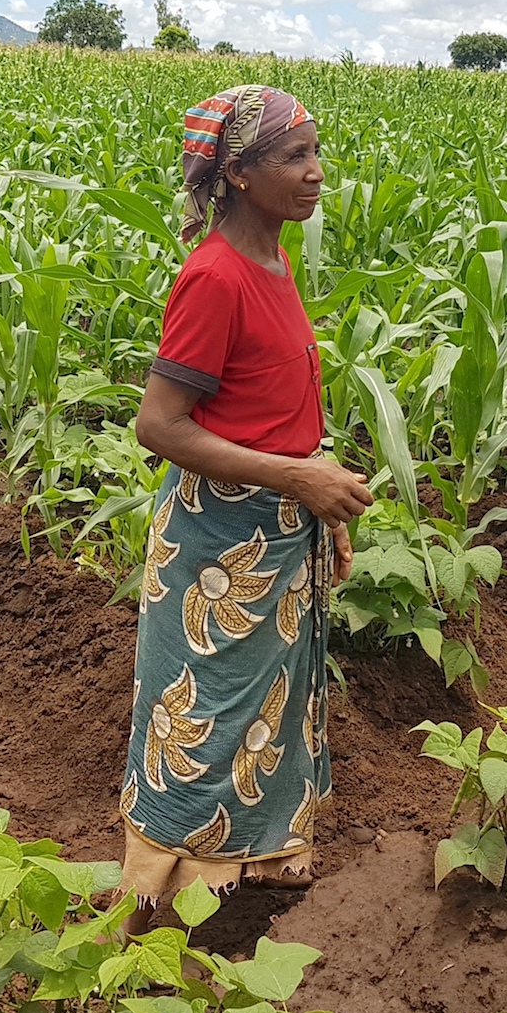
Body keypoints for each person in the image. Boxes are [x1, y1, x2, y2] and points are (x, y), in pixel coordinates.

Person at [118, 84, 374, 917]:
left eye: (315, 152)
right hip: (215, 547)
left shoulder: (272, 258)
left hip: (271, 532)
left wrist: (314, 492)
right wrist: (298, 479)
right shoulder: (216, 277)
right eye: (294, 157)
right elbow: (159, 424)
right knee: (203, 716)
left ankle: (253, 868)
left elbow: (265, 407)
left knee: (267, 710)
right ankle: (169, 900)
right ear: (237, 173)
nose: (315, 173)